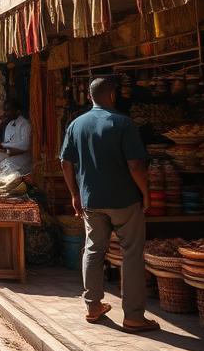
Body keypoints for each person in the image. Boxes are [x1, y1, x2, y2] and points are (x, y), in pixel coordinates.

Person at [60, 77, 158, 333]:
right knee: (132, 255)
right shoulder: (123, 123)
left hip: (91, 200)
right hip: (124, 200)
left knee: (93, 250)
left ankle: (93, 306)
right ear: (113, 95)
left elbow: (66, 163)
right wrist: (145, 193)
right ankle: (134, 316)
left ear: (91, 96)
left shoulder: (76, 125)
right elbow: (135, 165)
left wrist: (74, 193)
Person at [0, 99, 32, 175]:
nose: (5, 113)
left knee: (4, 169)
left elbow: (25, 145)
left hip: (23, 159)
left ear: (18, 111)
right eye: (5, 110)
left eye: (8, 110)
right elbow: (8, 142)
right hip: (11, 156)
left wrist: (3, 146)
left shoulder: (25, 124)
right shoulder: (9, 124)